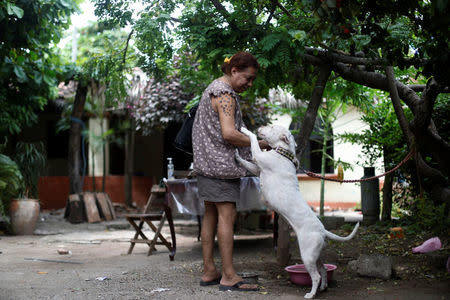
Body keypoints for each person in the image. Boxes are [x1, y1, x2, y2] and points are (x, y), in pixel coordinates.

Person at [192, 51, 269, 292]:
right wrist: (260, 144)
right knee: (227, 215)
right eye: (248, 78)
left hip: (205, 165)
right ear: (234, 71)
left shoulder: (212, 88)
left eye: (252, 79)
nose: (250, 83)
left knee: (210, 215)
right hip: (221, 167)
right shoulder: (225, 94)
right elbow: (229, 134)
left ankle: (209, 271)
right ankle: (228, 276)